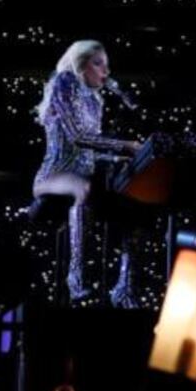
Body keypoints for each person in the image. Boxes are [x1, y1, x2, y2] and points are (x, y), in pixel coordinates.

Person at [33, 40, 139, 306]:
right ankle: (76, 278)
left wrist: (121, 156)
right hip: (54, 175)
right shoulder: (65, 82)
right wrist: (125, 146)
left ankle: (124, 288)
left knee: (134, 206)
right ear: (80, 64)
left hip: (84, 173)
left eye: (107, 64)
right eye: (98, 63)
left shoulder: (95, 100)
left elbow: (91, 150)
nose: (106, 71)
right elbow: (79, 137)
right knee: (84, 188)